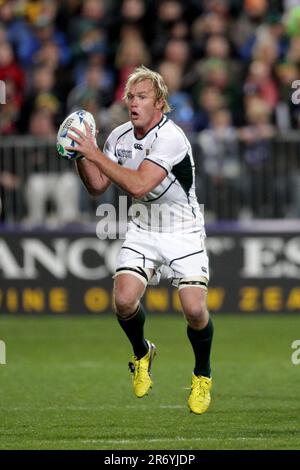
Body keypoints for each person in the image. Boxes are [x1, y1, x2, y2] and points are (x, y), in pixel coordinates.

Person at [67, 65, 214, 415]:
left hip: (182, 229)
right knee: (123, 301)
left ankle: (202, 374)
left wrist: (93, 152)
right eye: (130, 96)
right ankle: (142, 353)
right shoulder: (118, 136)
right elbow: (97, 187)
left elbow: (137, 185)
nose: (134, 102)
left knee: (194, 310)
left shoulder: (171, 137)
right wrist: (79, 155)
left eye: (142, 96)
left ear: (159, 103)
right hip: (143, 227)